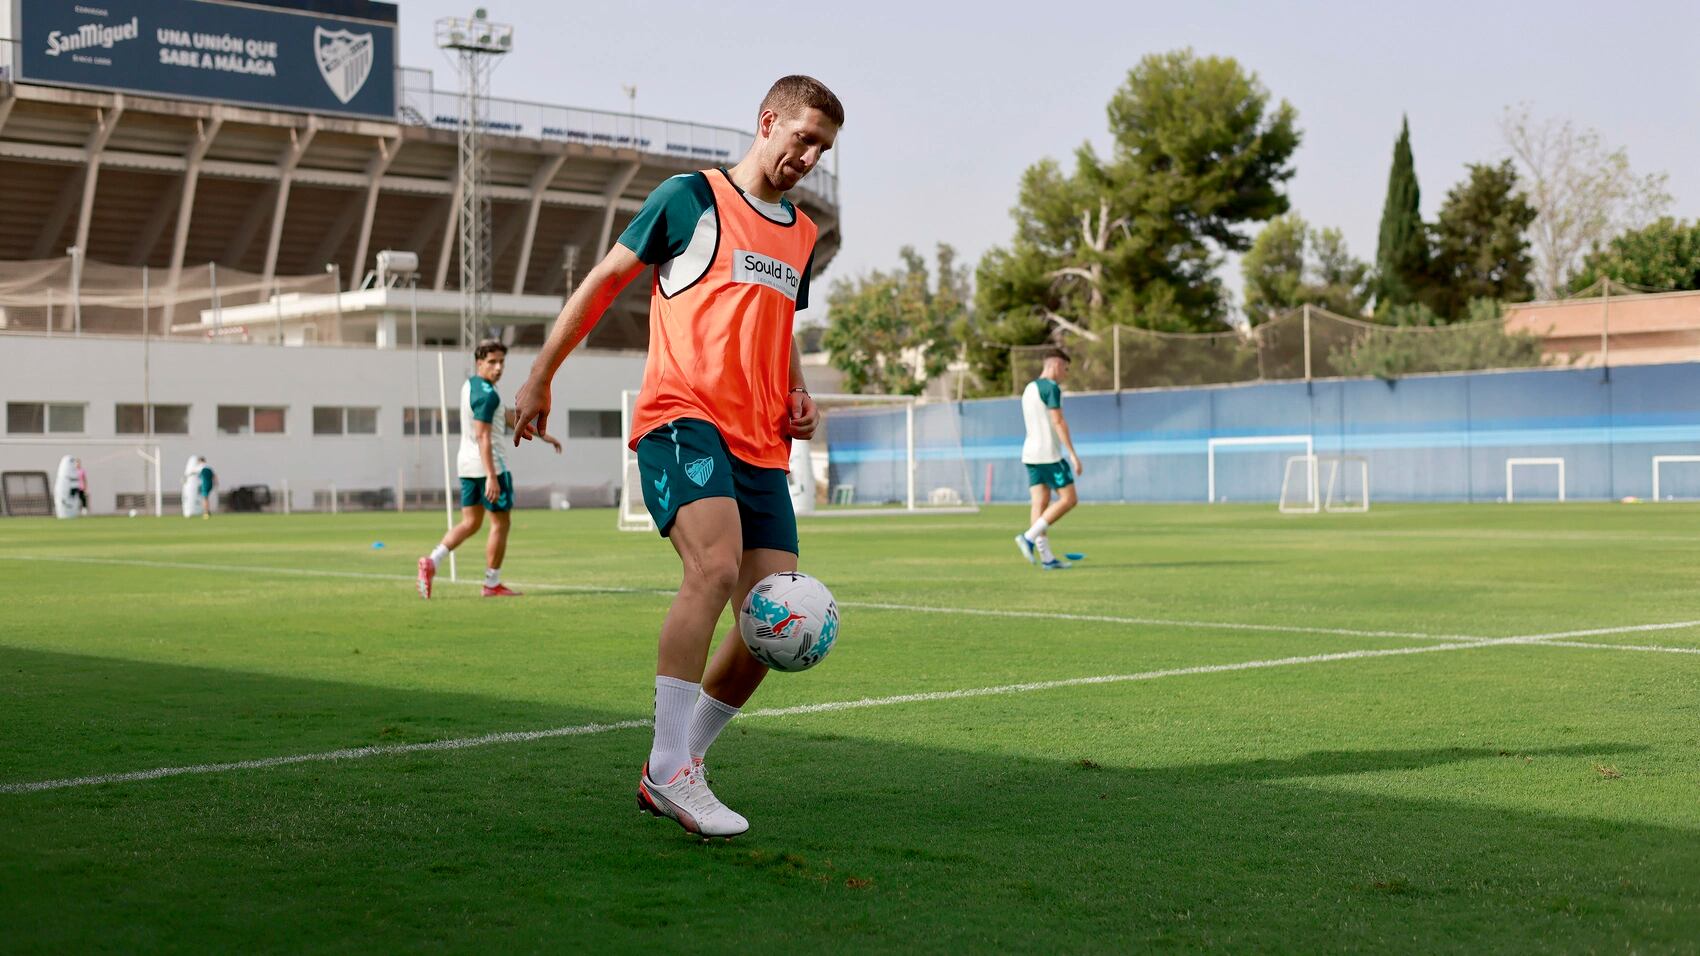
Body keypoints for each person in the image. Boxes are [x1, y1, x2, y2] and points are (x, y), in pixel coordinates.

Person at [513, 75, 842, 838]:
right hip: (681, 417)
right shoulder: (689, 197)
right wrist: (540, 375)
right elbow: (604, 282)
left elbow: (776, 325)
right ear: (768, 122)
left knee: (772, 621)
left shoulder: (800, 233)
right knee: (715, 569)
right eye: (803, 137)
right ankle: (669, 769)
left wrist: (797, 394)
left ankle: (674, 765)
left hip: (762, 442)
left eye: (823, 148)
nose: (810, 156)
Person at [417, 339, 561, 599]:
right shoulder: (487, 394)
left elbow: (502, 414)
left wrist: (542, 435)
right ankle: (491, 583)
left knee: (471, 523)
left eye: (501, 362)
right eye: (492, 362)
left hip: (467, 466)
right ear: (479, 362)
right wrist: (492, 478)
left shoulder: (472, 385)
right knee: (501, 523)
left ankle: (432, 561)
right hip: (490, 466)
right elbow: (483, 436)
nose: (498, 368)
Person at [1014, 348, 1083, 570]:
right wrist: (1072, 453)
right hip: (1049, 455)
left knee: (1040, 503)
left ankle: (1046, 558)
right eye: (1065, 368)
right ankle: (1028, 537)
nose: (1066, 373)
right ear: (1055, 365)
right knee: (1069, 499)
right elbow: (1058, 421)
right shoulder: (1051, 388)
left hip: (1030, 454)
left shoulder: (1028, 388)